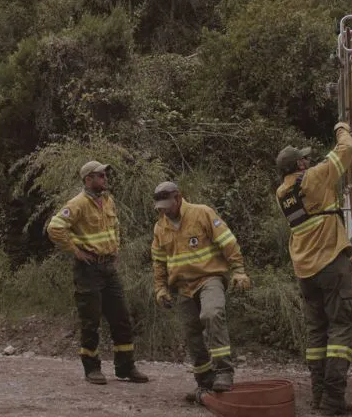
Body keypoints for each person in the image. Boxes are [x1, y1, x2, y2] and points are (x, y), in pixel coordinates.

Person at [275, 122, 352, 415]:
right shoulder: (313, 178)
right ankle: (334, 400)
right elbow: (347, 149)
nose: (309, 160)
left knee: (317, 332)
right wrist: (341, 127)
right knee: (342, 326)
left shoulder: (282, 191)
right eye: (305, 158)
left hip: (305, 269)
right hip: (330, 263)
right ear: (298, 164)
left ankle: (319, 396)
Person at [46, 160, 150, 385]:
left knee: (121, 318)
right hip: (88, 269)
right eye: (100, 175)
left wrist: (116, 250)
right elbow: (55, 227)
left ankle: (125, 367)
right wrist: (75, 250)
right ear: (88, 179)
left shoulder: (108, 200)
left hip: (109, 268)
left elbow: (115, 227)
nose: (105, 178)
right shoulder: (77, 203)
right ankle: (92, 369)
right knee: (90, 320)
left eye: (105, 175)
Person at [150, 181, 251, 397]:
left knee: (212, 314)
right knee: (191, 333)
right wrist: (161, 289)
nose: (165, 210)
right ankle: (204, 381)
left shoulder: (202, 213)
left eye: (168, 204)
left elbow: (228, 242)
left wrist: (238, 270)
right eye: (161, 207)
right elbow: (159, 262)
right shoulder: (160, 228)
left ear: (178, 197)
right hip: (183, 287)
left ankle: (224, 371)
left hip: (209, 278)